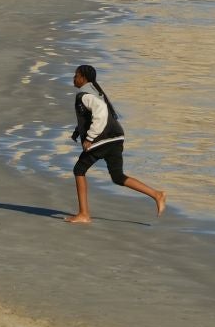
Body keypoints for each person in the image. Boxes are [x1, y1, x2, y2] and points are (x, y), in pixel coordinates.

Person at [66, 64, 165, 224]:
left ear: (83, 78)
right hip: (116, 138)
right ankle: (157, 194)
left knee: (79, 169)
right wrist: (78, 131)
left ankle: (84, 214)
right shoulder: (95, 91)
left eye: (76, 75)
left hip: (102, 141)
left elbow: (101, 114)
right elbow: (93, 115)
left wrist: (90, 138)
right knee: (118, 177)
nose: (74, 78)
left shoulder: (85, 95)